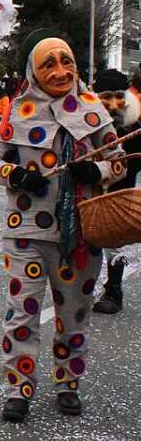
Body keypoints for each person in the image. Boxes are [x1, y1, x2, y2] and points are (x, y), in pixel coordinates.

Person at [0, 31, 124, 423]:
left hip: (81, 234)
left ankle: (68, 384)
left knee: (74, 314)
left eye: (66, 62)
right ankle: (18, 389)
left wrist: (93, 169)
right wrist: (17, 176)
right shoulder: (17, 111)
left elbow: (119, 162)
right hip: (26, 231)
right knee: (22, 312)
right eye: (50, 64)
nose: (60, 71)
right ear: (34, 71)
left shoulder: (94, 109)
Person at [90, 68, 141, 314]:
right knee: (86, 239)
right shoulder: (85, 122)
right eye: (105, 96)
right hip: (89, 192)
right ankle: (85, 288)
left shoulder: (134, 123)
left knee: (113, 242)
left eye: (118, 96)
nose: (112, 104)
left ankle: (114, 290)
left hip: (119, 193)